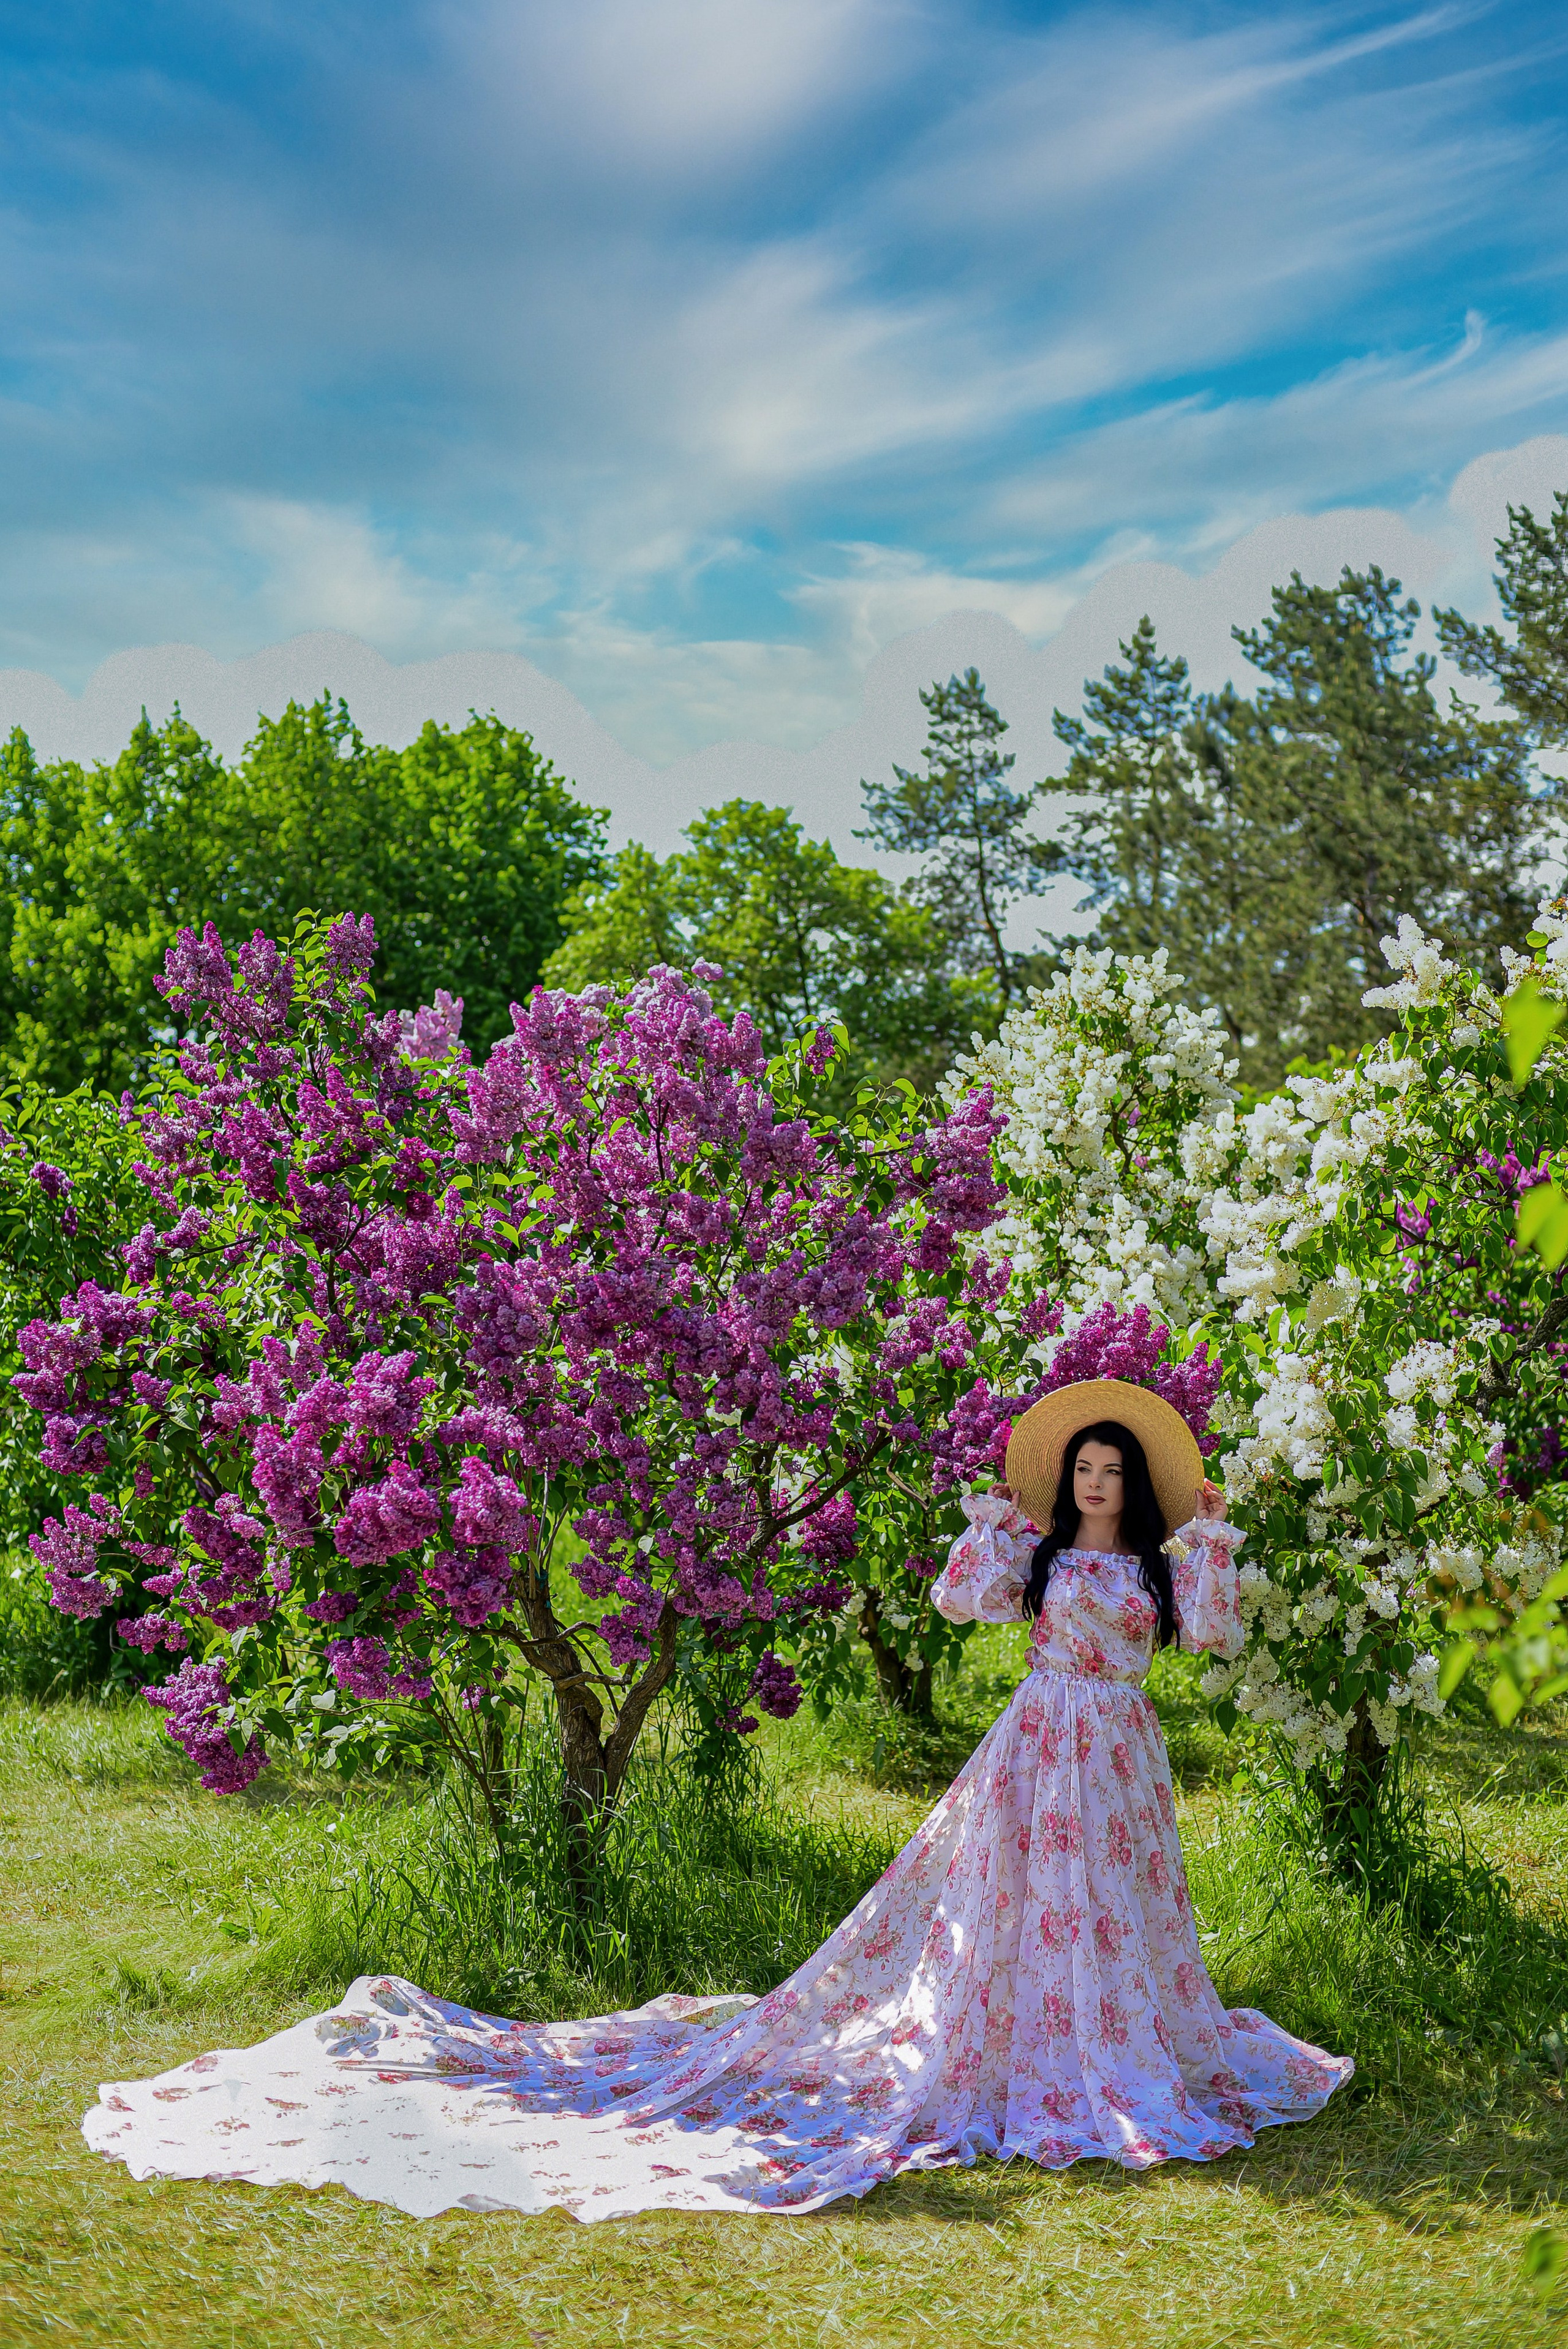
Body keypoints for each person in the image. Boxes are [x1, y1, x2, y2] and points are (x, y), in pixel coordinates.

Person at [84, 1377, 1351, 2222]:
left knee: (1112, 1913)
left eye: (1103, 1468)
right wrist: (991, 1523)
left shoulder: (1153, 1568)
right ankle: (1021, 2044)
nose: (1089, 1480)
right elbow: (950, 1606)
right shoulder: (1030, 1558)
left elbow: (1217, 1643)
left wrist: (1216, 1541)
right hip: (1039, 1754)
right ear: (1060, 1478)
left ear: (1130, 1480)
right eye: (1075, 1467)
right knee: (1016, 1905)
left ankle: (1106, 2048)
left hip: (1120, 1758)